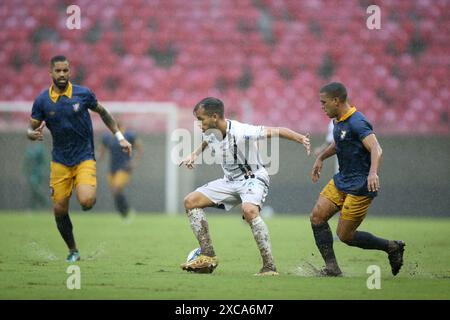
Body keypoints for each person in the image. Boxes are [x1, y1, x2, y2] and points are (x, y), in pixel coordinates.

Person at [179, 97, 311, 275]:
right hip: (230, 181)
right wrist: (194, 154)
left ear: (215, 117)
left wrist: (301, 138)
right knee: (190, 201)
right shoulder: (210, 131)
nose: (199, 124)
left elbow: (276, 131)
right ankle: (208, 256)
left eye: (201, 119)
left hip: (253, 178)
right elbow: (207, 141)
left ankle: (269, 266)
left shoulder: (242, 131)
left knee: (249, 211)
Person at [27, 55, 132, 262]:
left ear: (70, 71)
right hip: (59, 161)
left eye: (66, 70)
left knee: (86, 201)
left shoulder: (83, 94)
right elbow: (31, 127)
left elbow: (104, 113)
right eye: (58, 71)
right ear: (51, 73)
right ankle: (73, 250)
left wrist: (119, 137)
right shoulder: (42, 101)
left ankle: (85, 189)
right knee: (59, 208)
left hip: (84, 157)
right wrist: (31, 134)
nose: (62, 74)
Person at [310, 82, 405, 276]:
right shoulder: (338, 121)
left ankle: (392, 247)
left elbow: (376, 148)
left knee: (345, 235)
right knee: (317, 217)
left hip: (360, 184)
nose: (322, 106)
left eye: (324, 102)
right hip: (342, 179)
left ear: (336, 101)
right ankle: (332, 268)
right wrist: (321, 157)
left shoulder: (357, 122)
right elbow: (339, 144)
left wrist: (372, 173)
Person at [98, 122, 144, 218]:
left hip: (124, 167)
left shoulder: (128, 135)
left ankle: (126, 211)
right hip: (112, 169)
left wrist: (134, 162)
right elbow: (101, 151)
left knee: (117, 189)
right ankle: (123, 212)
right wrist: (98, 156)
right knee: (115, 192)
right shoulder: (107, 137)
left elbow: (140, 148)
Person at [22, 143, 49, 209]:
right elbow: (26, 162)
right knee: (33, 189)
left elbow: (45, 161)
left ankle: (44, 200)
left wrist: (44, 170)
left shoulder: (40, 148)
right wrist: (25, 172)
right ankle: (34, 206)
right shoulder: (29, 148)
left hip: (38, 172)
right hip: (31, 172)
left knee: (34, 185)